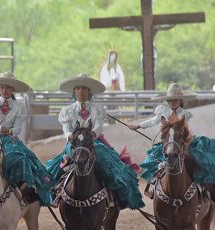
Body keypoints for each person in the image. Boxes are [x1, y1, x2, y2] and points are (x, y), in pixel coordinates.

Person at [45, 73, 143, 209]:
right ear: (74, 91)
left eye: (84, 88)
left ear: (89, 91)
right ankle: (55, 194)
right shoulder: (67, 110)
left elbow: (98, 127)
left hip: (94, 142)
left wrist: (92, 134)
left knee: (111, 164)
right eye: (78, 88)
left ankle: (116, 196)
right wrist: (70, 136)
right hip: (74, 143)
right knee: (54, 168)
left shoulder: (97, 108)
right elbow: (66, 129)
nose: (81, 91)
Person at [130, 83, 215, 194]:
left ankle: (205, 186)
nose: (173, 102)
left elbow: (182, 130)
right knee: (155, 162)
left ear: (180, 101)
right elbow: (153, 121)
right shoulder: (163, 112)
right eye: (170, 100)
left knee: (198, 159)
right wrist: (138, 126)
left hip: (181, 142)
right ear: (167, 102)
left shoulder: (184, 114)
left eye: (175, 100)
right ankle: (155, 187)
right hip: (168, 143)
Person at [0, 71, 53, 205]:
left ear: (12, 89)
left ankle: (21, 189)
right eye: (2, 87)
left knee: (19, 158)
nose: (5, 90)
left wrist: (10, 132)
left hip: (9, 139)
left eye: (8, 87)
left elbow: (18, 128)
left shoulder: (19, 106)